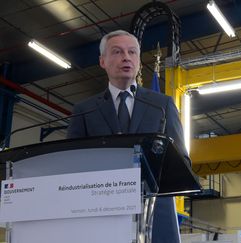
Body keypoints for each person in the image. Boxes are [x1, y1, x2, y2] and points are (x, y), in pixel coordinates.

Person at [67, 30, 186, 243]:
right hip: (101, 213)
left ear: (139, 61)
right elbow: (73, 165)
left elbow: (182, 160)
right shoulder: (84, 110)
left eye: (132, 52)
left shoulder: (162, 105)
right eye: (117, 52)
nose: (126, 57)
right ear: (103, 61)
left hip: (156, 214)